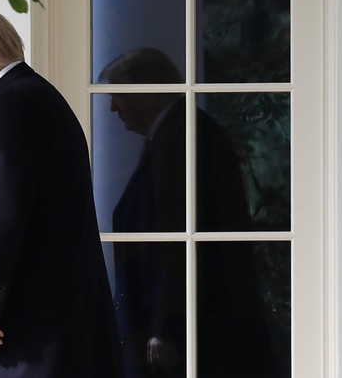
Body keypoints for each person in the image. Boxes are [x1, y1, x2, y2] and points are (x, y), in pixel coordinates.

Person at [0, 9, 124, 378]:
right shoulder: (24, 98)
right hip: (37, 314)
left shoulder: (16, 103)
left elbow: (2, 205)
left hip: (26, 323)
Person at [99, 48, 277, 377]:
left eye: (118, 95)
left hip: (191, 334)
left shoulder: (180, 138)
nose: (112, 107)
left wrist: (164, 326)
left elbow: (178, 239)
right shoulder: (178, 133)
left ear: (147, 90)